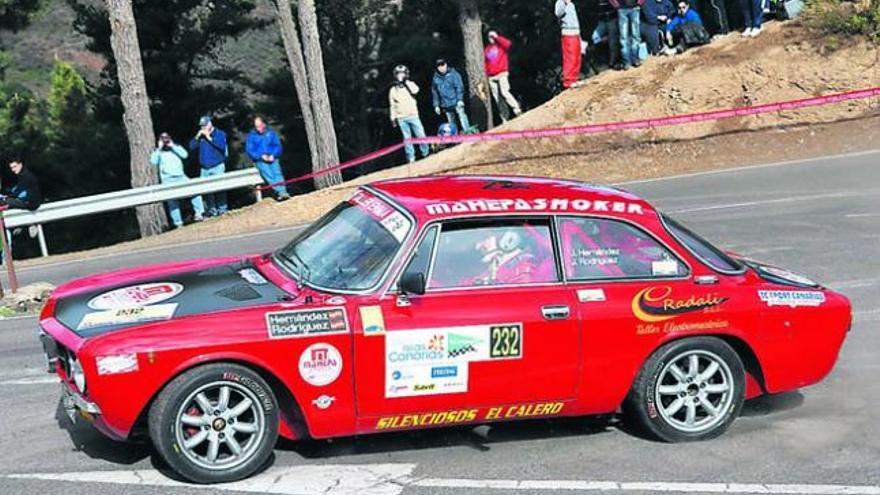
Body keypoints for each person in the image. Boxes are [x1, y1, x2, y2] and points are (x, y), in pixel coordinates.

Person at [149, 133, 205, 228]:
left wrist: (173, 145)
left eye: (167, 138)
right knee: (172, 202)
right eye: (163, 139)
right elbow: (153, 161)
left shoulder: (176, 147)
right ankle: (178, 223)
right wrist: (159, 148)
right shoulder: (158, 152)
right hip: (167, 180)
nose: (165, 141)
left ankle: (199, 213)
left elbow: (185, 155)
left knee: (195, 191)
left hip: (181, 177)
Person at [388, 65, 430, 164]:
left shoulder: (410, 84)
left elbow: (416, 91)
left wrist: (406, 82)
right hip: (401, 118)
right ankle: (411, 158)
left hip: (413, 115)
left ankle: (426, 153)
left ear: (406, 74)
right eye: (398, 74)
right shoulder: (393, 90)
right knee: (407, 139)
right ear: (395, 75)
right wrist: (393, 118)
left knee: (421, 135)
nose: (400, 76)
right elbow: (392, 105)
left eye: (402, 73)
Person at [188, 115, 228, 217]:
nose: (203, 128)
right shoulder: (200, 137)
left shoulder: (219, 133)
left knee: (220, 188)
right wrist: (197, 137)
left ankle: (222, 209)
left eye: (205, 125)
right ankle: (212, 210)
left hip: (217, 165)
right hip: (204, 168)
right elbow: (191, 147)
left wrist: (209, 137)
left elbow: (222, 146)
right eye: (201, 126)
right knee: (207, 190)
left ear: (210, 124)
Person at [245, 115, 290, 201]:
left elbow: (277, 146)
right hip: (260, 160)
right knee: (269, 175)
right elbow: (250, 150)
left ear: (264, 124)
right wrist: (261, 156)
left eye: (260, 126)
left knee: (277, 174)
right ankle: (280, 192)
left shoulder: (271, 133)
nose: (259, 129)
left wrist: (273, 155)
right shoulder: (251, 136)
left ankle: (283, 192)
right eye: (256, 127)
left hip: (273, 158)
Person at [484, 30, 523, 123]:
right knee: (498, 99)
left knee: (505, 92)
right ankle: (505, 119)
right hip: (492, 77)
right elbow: (486, 63)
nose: (491, 38)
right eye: (489, 37)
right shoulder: (487, 49)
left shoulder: (501, 45)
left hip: (502, 73)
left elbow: (508, 43)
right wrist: (487, 75)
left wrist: (497, 37)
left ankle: (517, 109)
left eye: (492, 36)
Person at [431, 59, 472, 133]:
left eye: (442, 65)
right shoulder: (435, 78)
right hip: (446, 104)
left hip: (456, 101)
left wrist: (460, 99)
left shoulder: (454, 74)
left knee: (462, 117)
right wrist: (436, 105)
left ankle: (468, 133)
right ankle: (455, 138)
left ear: (446, 65)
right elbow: (435, 92)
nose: (441, 67)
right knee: (451, 123)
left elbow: (459, 87)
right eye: (439, 66)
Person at [610, 0, 646, 69]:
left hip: (635, 8)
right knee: (623, 37)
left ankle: (635, 59)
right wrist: (616, 5)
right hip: (622, 9)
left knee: (636, 35)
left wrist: (639, 3)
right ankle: (626, 61)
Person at [554, 0, 582, 89]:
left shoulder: (571, 4)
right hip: (568, 32)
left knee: (577, 57)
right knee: (570, 57)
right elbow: (558, 13)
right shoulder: (560, 2)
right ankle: (569, 81)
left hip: (576, 32)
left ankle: (575, 78)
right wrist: (564, 3)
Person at [591, 0, 620, 69]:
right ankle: (601, 59)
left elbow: (617, 6)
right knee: (595, 37)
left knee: (613, 43)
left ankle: (612, 62)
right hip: (602, 21)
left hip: (612, 19)